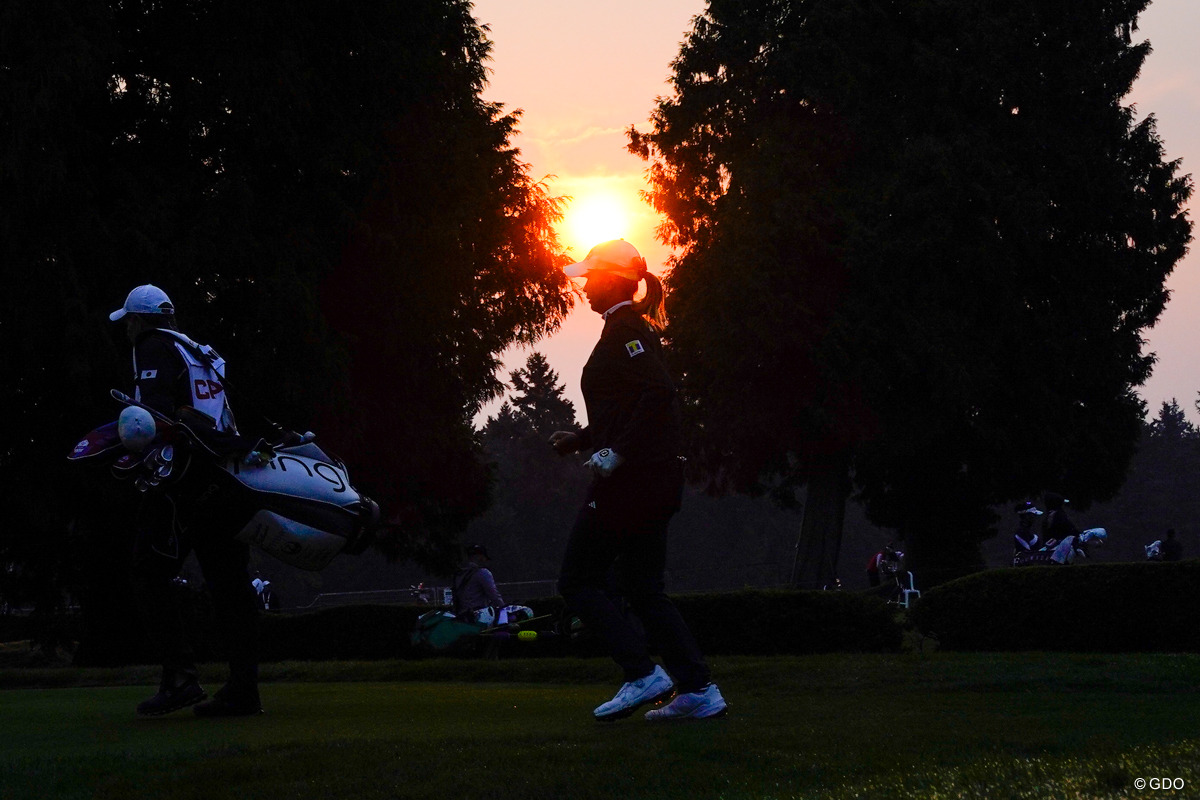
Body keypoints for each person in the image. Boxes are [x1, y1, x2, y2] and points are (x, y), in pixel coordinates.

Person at [549, 239, 726, 722]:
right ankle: (698, 689)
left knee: (578, 579)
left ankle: (642, 673)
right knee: (642, 586)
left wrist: (618, 451)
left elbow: (658, 393)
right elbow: (629, 406)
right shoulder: (626, 328)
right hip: (652, 480)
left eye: (592, 277)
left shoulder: (627, 331)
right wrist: (584, 439)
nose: (586, 286)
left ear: (614, 280)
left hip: (633, 482)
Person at [111, 284, 263, 718]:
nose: (127, 331)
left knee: (148, 571)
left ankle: (180, 679)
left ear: (138, 320)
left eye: (128, 323)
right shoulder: (198, 351)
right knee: (231, 585)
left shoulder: (151, 345)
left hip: (182, 482)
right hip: (225, 477)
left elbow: (153, 417)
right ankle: (243, 689)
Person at [451, 544, 505, 623]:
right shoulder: (483, 573)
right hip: (478, 617)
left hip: (461, 616)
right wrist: (504, 608)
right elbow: (494, 595)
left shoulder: (459, 574)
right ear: (480, 556)